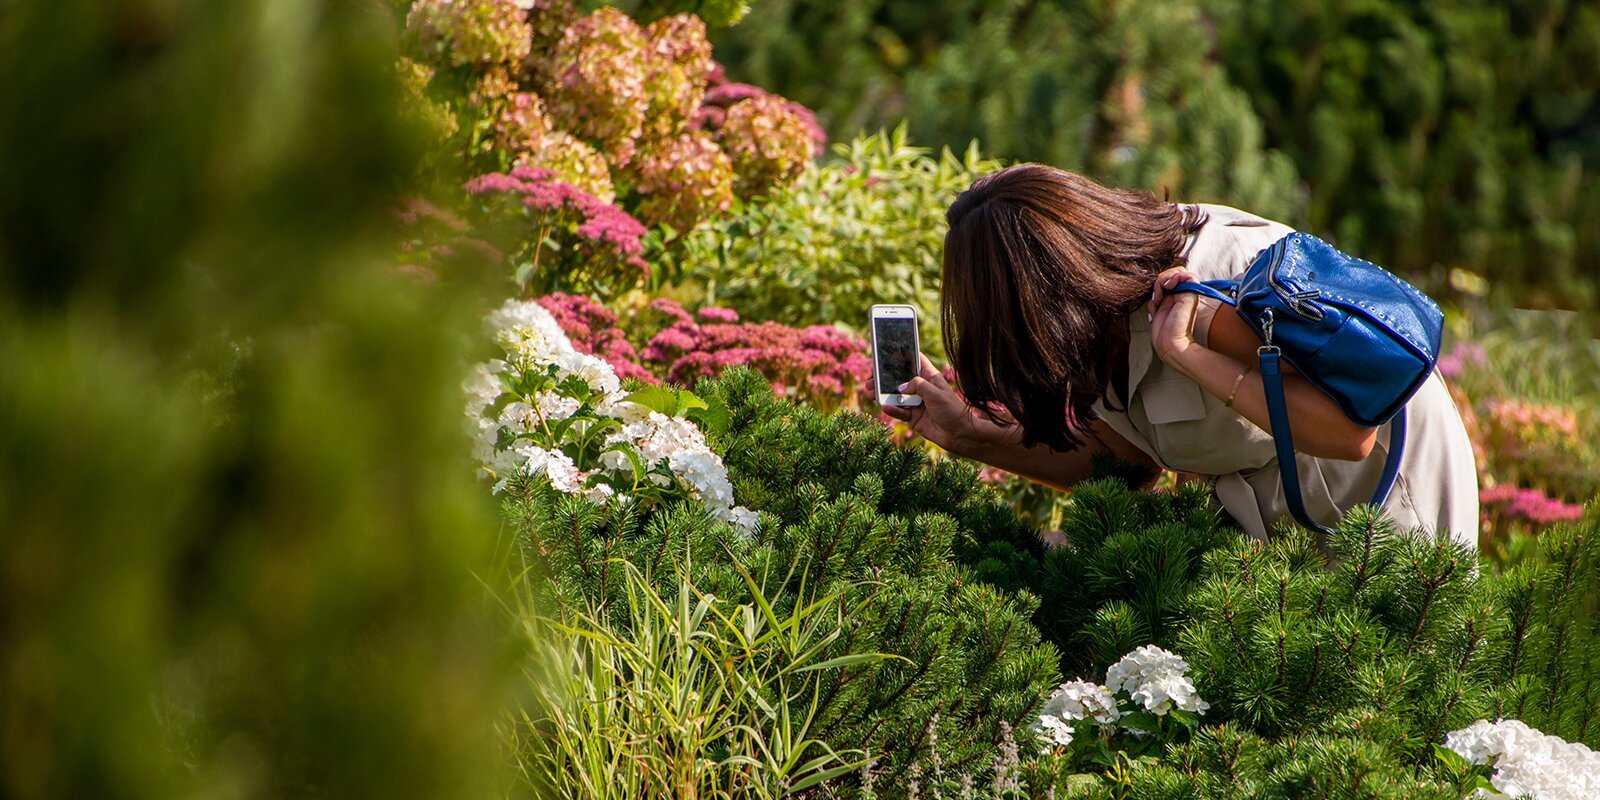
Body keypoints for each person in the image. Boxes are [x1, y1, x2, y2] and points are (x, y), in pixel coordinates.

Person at [886, 164, 1479, 548]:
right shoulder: (1096, 319)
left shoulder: (1213, 284)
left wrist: (1189, 353)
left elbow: (1349, 432)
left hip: (1385, 511)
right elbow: (1129, 463)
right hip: (1282, 538)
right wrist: (968, 434)